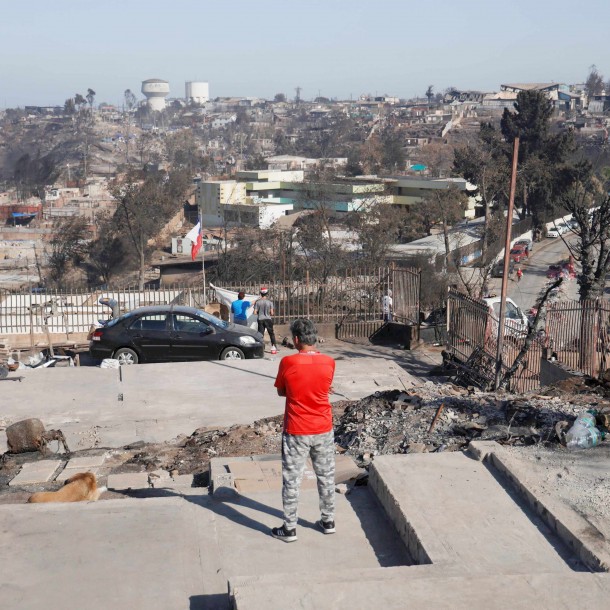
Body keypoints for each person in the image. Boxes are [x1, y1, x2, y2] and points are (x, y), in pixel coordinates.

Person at [271, 318, 336, 543]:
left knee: (292, 479)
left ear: (296, 339)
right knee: (326, 476)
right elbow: (326, 388)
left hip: (296, 429)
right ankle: (328, 521)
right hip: (323, 428)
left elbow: (281, 392)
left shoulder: (288, 362)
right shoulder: (329, 362)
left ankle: (289, 528)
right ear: (315, 338)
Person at [254, 287, 278, 354]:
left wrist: (259, 312)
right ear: (267, 294)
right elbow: (272, 313)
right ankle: (274, 347)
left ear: (260, 293)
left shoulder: (258, 302)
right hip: (268, 319)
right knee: (271, 334)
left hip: (260, 319)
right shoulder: (270, 302)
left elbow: (255, 312)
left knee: (261, 334)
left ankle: (260, 348)